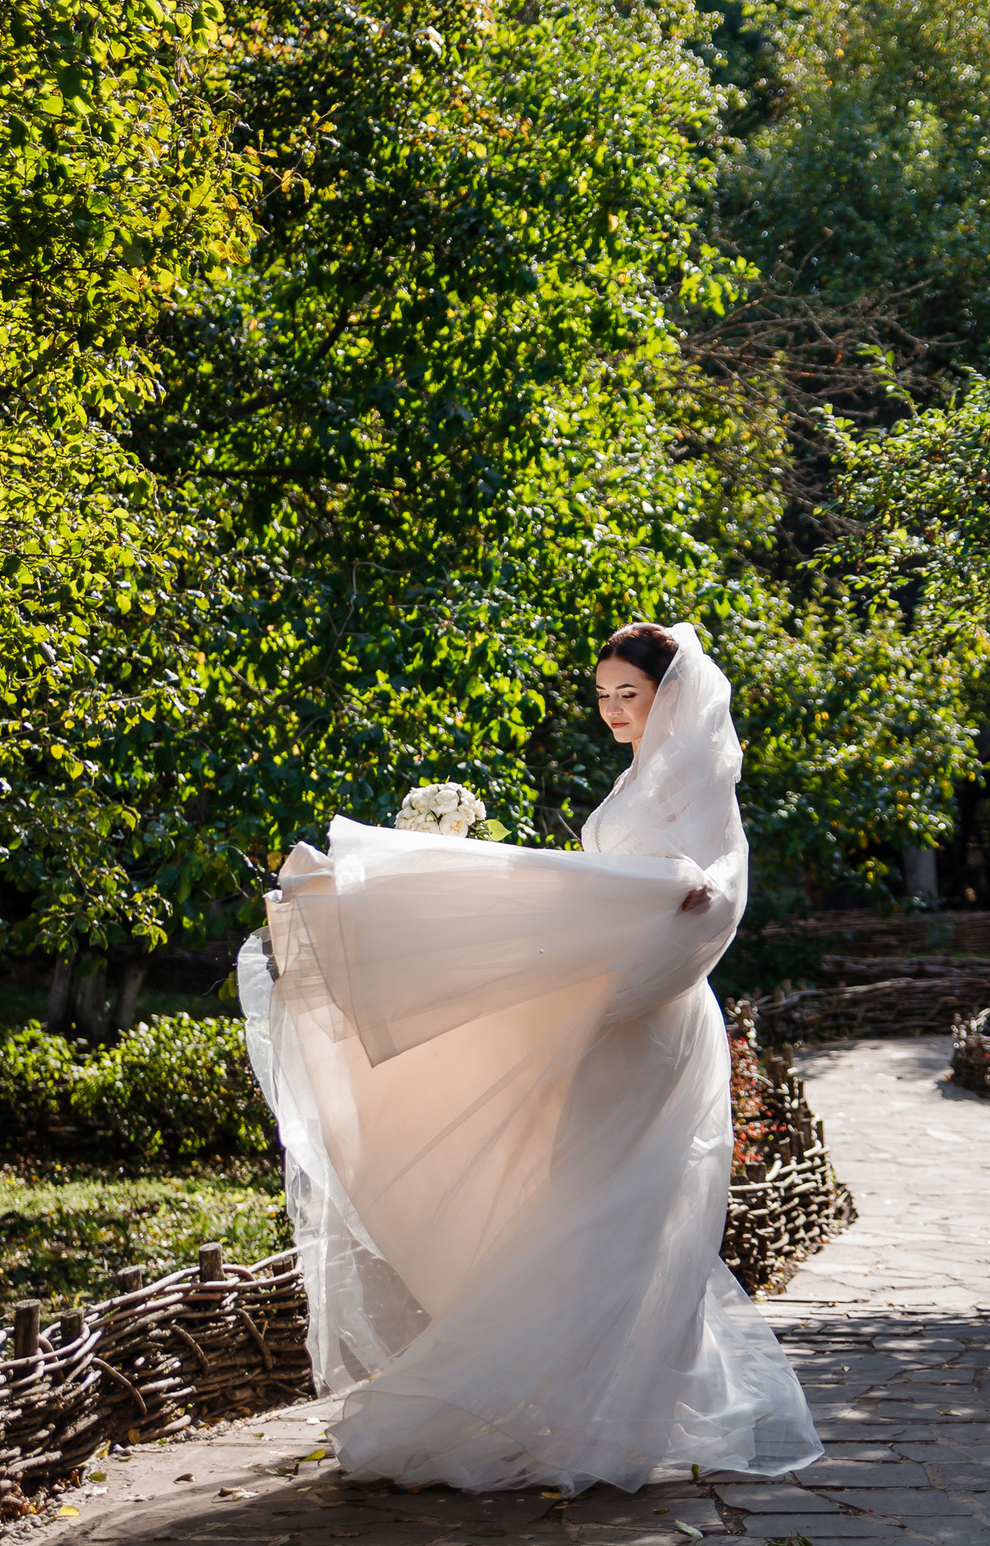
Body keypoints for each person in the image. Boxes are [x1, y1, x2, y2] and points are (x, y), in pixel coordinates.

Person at [236, 622, 821, 1493]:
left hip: (650, 1024)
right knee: (575, 1211)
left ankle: (602, 1423)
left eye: (631, 695)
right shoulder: (636, 782)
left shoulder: (700, 783)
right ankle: (562, 1409)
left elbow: (715, 900)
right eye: (604, 696)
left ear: (672, 696)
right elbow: (600, 894)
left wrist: (666, 911)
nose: (615, 710)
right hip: (603, 1019)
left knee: (622, 1218)